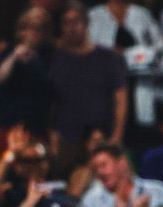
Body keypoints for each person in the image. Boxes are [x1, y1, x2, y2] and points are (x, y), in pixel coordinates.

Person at [48, 1, 128, 175]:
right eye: (66, 23)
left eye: (76, 22)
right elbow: (49, 100)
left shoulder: (107, 58)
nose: (72, 28)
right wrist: (53, 135)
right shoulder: (56, 59)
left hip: (101, 136)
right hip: (66, 138)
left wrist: (116, 136)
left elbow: (120, 98)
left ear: (86, 24)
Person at [0, 6, 53, 164]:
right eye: (29, 27)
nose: (33, 33)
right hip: (5, 126)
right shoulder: (9, 51)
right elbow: (0, 78)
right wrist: (15, 56)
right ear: (21, 30)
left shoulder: (50, 56)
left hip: (35, 128)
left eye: (40, 28)